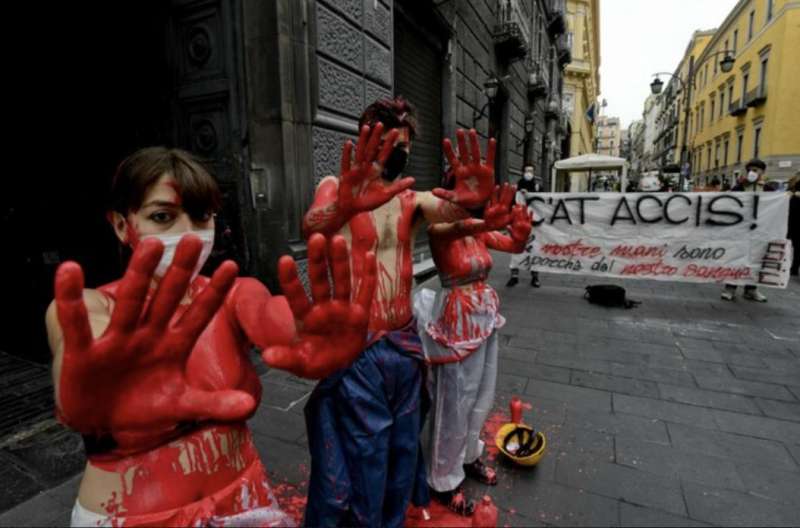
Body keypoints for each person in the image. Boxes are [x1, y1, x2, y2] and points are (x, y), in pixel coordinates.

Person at [48, 147, 377, 527]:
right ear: (122, 225)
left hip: (243, 500)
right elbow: (76, 349)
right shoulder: (90, 308)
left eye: (201, 215)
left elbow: (277, 320)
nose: (187, 233)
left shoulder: (234, 294)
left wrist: (311, 332)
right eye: (162, 217)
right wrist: (91, 391)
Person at [301, 97, 496, 527]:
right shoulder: (336, 186)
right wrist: (346, 207)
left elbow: (449, 208)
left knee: (404, 447)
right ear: (365, 140)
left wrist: (474, 202)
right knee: (368, 451)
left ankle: (391, 520)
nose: (399, 151)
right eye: (390, 142)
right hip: (360, 348)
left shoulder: (410, 198)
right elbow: (312, 225)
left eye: (404, 144)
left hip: (404, 342)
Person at [414, 182, 532, 515]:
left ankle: (468, 456)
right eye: (469, 194)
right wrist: (485, 217)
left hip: (484, 318)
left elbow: (510, 243)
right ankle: (442, 479)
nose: (477, 200)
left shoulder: (479, 232)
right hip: (457, 325)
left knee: (481, 395)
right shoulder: (441, 228)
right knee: (453, 405)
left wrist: (521, 234)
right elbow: (463, 226)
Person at [722, 158, 768, 302]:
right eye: (749, 170)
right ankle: (730, 288)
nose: (752, 173)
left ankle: (751, 289)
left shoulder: (768, 189)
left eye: (755, 170)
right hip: (740, 230)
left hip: (760, 230)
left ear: (762, 172)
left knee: (756, 260)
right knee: (736, 258)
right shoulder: (739, 187)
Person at [506, 165, 540, 288]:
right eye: (526, 171)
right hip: (518, 225)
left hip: (534, 225)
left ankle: (535, 277)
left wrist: (532, 193)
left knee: (535, 250)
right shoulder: (517, 188)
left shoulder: (538, 187)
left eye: (531, 171)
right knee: (516, 250)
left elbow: (543, 204)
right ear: (522, 173)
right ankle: (514, 276)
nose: (528, 173)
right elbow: (511, 206)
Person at [788, 171, 800, 277]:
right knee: (795, 245)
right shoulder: (794, 180)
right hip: (793, 218)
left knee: (797, 246)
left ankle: (795, 267)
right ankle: (794, 267)